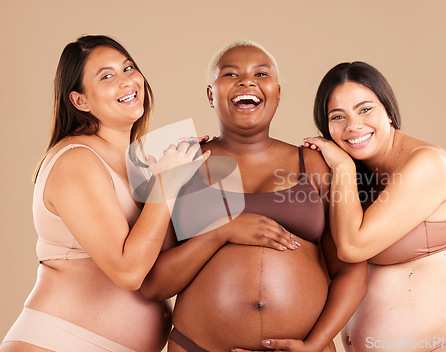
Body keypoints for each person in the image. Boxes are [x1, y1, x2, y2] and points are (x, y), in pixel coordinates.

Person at [140, 40, 368, 352]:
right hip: (198, 346)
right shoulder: (181, 166)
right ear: (211, 94)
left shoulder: (314, 164)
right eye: (231, 75)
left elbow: (350, 269)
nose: (247, 81)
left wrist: (313, 345)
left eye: (261, 74)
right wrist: (220, 232)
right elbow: (154, 285)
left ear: (277, 93)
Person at [0, 35, 208, 352]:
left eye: (128, 68)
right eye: (107, 76)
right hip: (60, 343)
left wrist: (191, 178)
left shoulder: (140, 164)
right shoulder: (77, 160)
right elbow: (128, 271)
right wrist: (167, 184)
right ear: (81, 101)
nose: (127, 81)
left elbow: (165, 261)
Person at [304, 61, 446, 352]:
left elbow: (353, 247)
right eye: (338, 116)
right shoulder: (358, 181)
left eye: (365, 109)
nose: (353, 125)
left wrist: (343, 165)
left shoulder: (428, 165)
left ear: (388, 110)